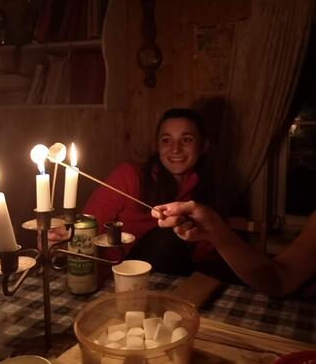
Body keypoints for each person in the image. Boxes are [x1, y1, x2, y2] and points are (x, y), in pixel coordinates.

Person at [151, 103, 316, 305]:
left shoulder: (213, 185)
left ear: (204, 146)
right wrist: (214, 229)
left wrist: (213, 231)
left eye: (187, 139)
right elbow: (279, 279)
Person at [51, 108, 216, 275]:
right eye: (166, 140)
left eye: (186, 140)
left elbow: (203, 257)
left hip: (173, 280)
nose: (175, 149)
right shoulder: (130, 176)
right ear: (158, 146)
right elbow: (87, 227)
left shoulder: (207, 192)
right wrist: (59, 240)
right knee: (166, 236)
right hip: (116, 275)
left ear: (204, 146)